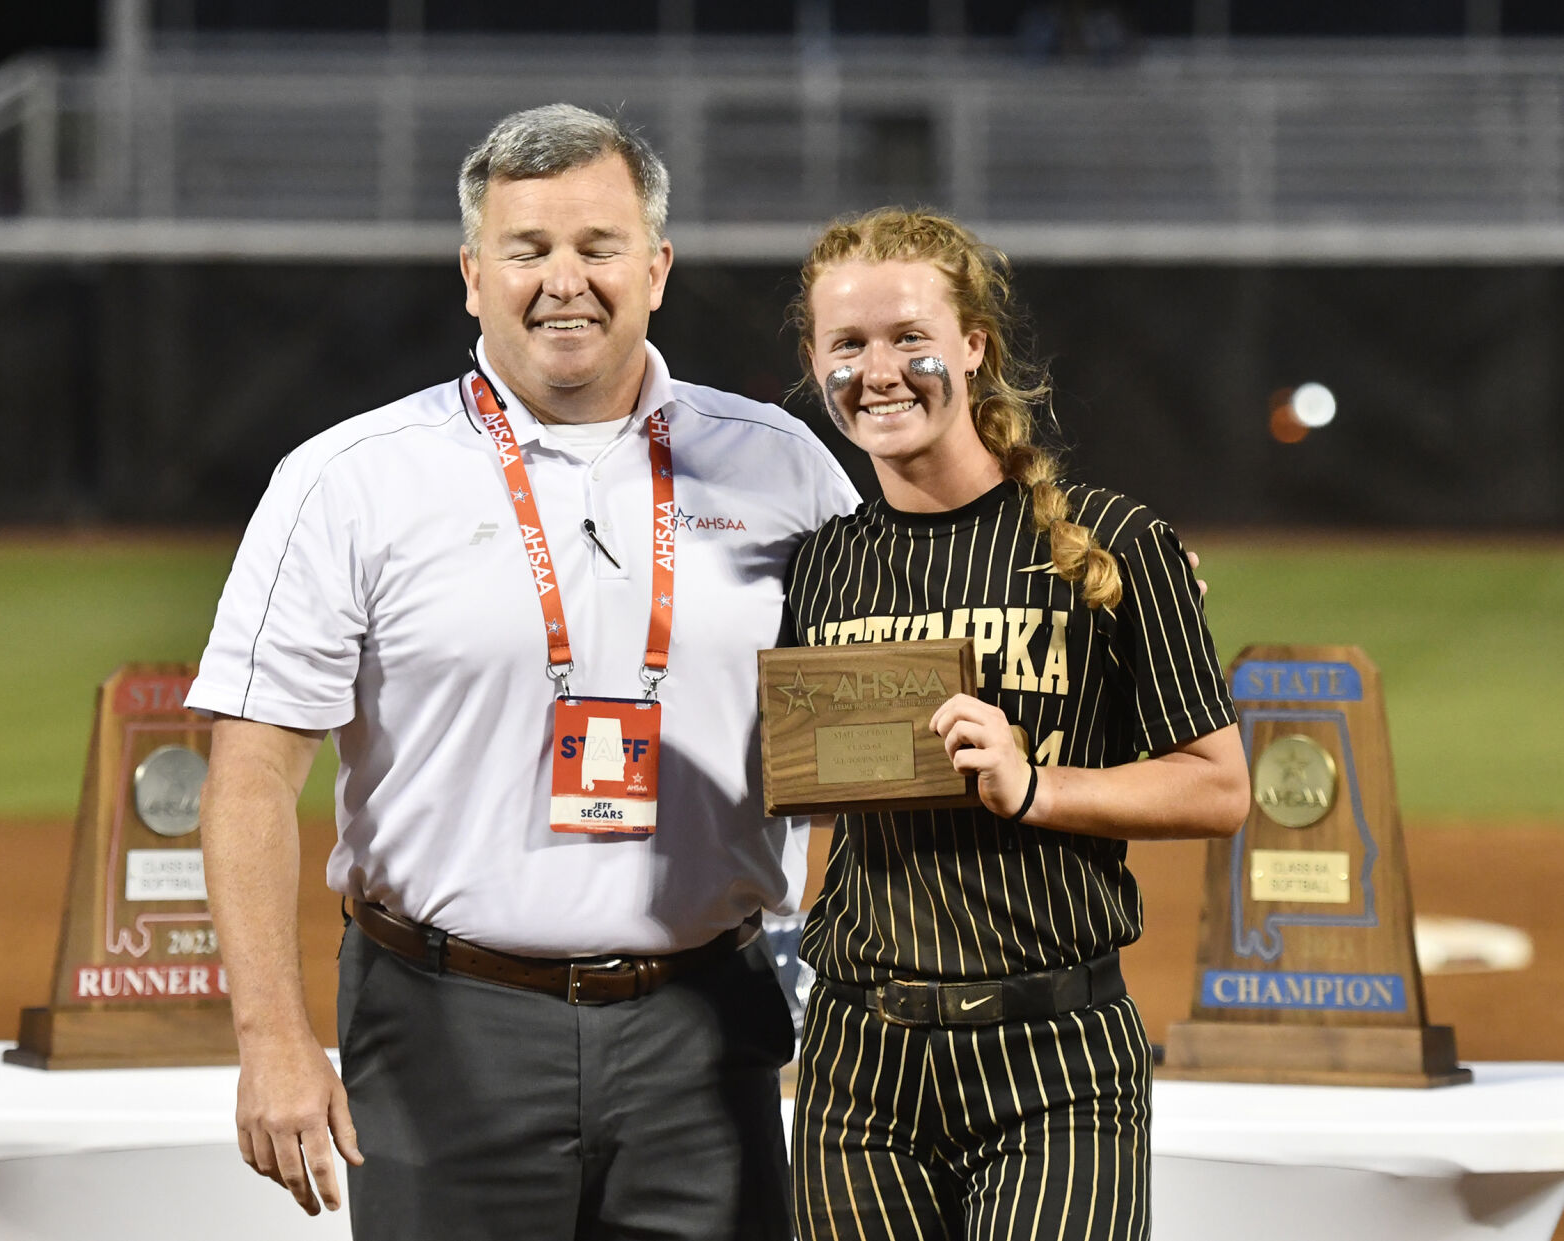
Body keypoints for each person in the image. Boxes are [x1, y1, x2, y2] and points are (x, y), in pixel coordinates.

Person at [185, 103, 859, 1241]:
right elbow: (250, 777)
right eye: (527, 249)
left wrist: (1083, 581)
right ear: (470, 273)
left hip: (707, 1027)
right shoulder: (349, 480)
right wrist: (271, 1036)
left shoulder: (784, 466)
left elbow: (884, 698)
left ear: (657, 267)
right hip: (442, 1021)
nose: (564, 281)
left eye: (598, 248)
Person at [782, 208, 1251, 1240]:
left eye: (912, 337)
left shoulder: (1114, 541)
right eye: (847, 345)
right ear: (816, 363)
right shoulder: (820, 563)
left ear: (974, 347)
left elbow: (1219, 783)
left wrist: (1036, 783)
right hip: (858, 1065)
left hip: (1056, 1059)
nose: (882, 370)